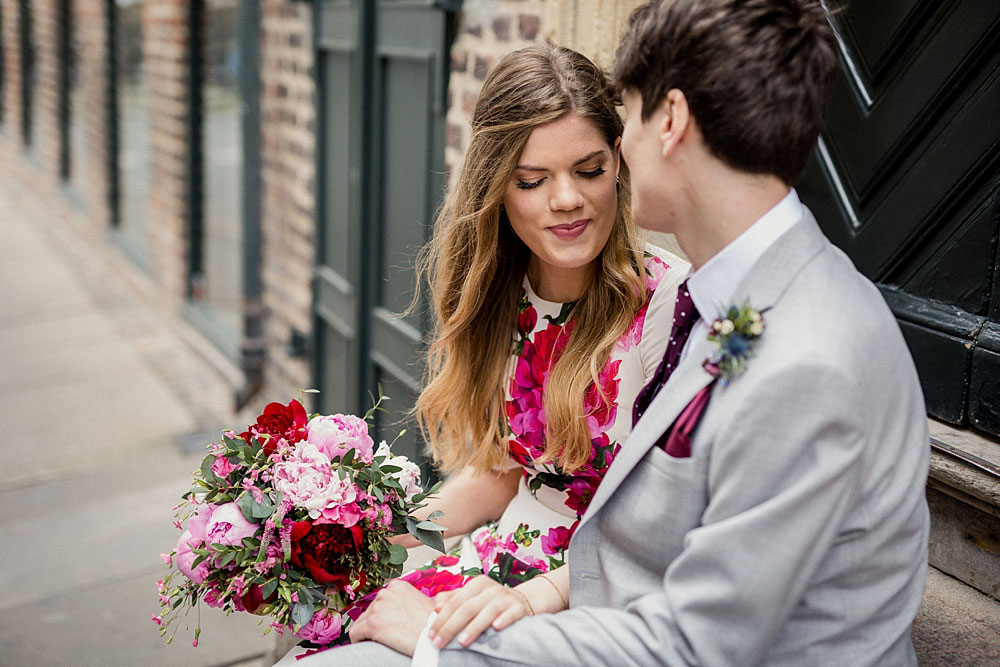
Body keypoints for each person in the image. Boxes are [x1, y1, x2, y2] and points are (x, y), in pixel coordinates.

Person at [308, 1, 932, 665]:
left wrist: (445, 640)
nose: (616, 151)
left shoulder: (802, 358)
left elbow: (690, 645)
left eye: (625, 114)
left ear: (670, 122)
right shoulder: (741, 302)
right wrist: (386, 528)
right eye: (532, 178)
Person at [277, 45, 688, 664]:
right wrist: (374, 536)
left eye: (589, 170)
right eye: (532, 180)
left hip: (590, 599)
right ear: (498, 188)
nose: (567, 198)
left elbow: (673, 532)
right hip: (500, 563)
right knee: (312, 618)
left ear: (621, 164)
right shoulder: (507, 293)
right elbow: (504, 474)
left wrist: (531, 599)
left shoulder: (671, 308)